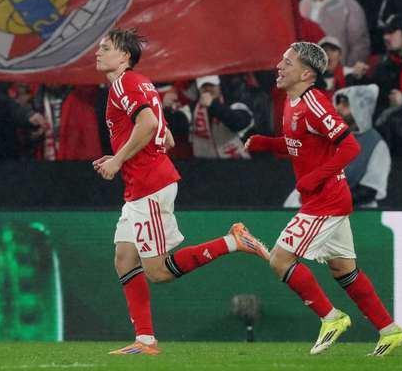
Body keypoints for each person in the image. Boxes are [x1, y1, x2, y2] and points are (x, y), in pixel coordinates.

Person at [93, 28, 270, 355]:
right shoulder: (142, 83)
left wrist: (118, 159)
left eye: (105, 48)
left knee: (158, 272)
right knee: (124, 257)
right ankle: (145, 340)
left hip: (148, 184)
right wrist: (125, 153)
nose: (97, 52)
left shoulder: (124, 83)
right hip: (142, 182)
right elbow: (167, 136)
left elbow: (147, 125)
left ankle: (233, 240)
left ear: (124, 56)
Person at [245, 42, 402, 356]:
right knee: (344, 270)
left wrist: (316, 177)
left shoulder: (315, 102)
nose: (280, 65)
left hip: (326, 200)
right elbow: (298, 145)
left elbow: (350, 147)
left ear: (306, 73)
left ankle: (331, 317)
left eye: (287, 62)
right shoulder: (293, 102)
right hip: (324, 199)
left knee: (279, 259)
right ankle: (390, 330)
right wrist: (266, 144)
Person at [188, 75, 255, 159]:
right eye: (204, 86)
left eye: (211, 85)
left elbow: (239, 122)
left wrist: (213, 105)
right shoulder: (194, 106)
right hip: (205, 164)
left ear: (219, 85)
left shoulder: (232, 99)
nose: (208, 89)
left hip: (236, 162)